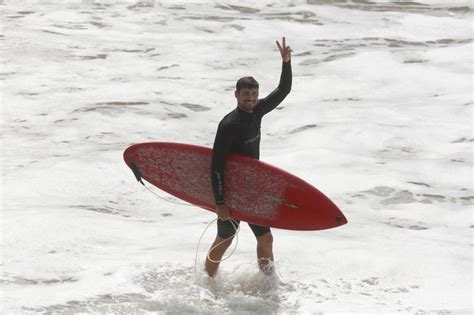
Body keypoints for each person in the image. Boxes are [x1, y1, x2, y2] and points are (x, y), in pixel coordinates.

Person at [205, 37, 293, 278]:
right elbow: (216, 166)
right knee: (225, 239)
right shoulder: (228, 125)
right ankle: (206, 283)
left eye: (254, 94)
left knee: (266, 237)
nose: (251, 99)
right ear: (236, 95)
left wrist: (286, 62)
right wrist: (220, 202)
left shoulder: (258, 112)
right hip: (232, 192)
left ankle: (268, 284)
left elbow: (283, 90)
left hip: (252, 190)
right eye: (246, 95)